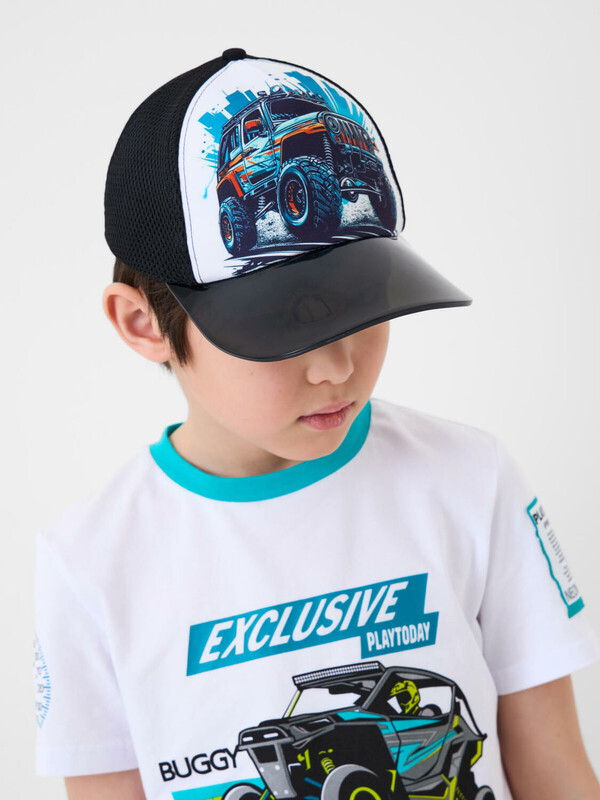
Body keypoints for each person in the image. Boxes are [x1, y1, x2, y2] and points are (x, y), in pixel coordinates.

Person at [33, 48, 600, 800]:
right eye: (281, 324)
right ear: (144, 324)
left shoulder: (468, 479)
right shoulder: (93, 563)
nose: (336, 366)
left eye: (363, 306)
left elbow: (558, 774)